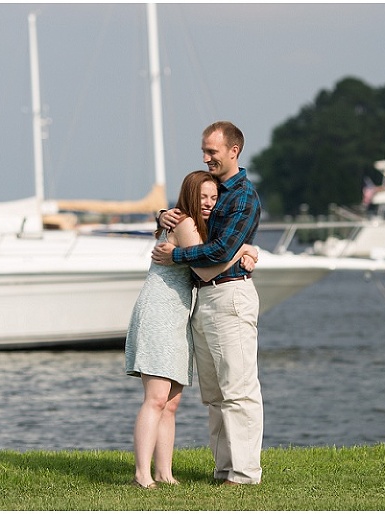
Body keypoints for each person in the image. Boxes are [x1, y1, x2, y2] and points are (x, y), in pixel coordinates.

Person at [125, 170, 257, 489]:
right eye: (202, 198)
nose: (209, 203)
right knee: (156, 399)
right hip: (160, 312)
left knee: (171, 403)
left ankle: (165, 473)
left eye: (214, 197)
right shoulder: (184, 223)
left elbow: (210, 252)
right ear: (189, 198)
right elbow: (205, 268)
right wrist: (241, 250)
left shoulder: (191, 225)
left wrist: (249, 251)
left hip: (179, 314)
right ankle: (143, 474)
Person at [152, 121, 263, 486]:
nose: (206, 157)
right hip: (205, 298)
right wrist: (164, 216)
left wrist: (178, 255)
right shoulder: (211, 190)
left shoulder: (244, 196)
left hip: (230, 296)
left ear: (234, 150)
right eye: (204, 150)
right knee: (214, 394)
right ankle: (224, 469)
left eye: (212, 151)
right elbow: (195, 224)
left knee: (239, 389)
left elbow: (220, 250)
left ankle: (244, 474)